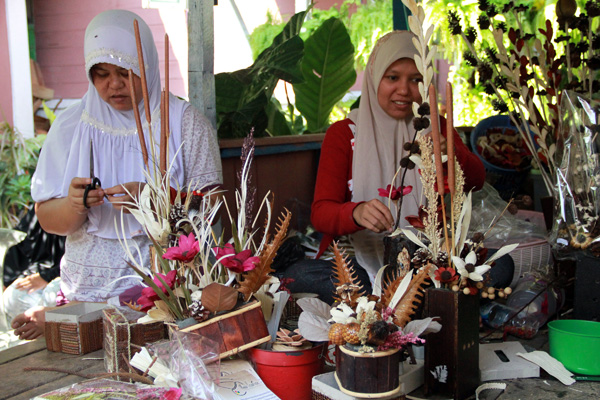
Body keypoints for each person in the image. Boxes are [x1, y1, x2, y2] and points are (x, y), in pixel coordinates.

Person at [11, 9, 222, 340]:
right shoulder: (71, 126)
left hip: (167, 296)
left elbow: (211, 207)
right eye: (101, 73)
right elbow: (49, 219)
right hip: (86, 294)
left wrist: (156, 200)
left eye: (126, 71)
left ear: (147, 65)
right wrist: (73, 205)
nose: (114, 85)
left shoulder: (184, 124)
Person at [278, 31, 486, 301]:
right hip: (363, 265)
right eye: (392, 77)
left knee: (501, 265)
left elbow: (476, 182)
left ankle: (398, 299)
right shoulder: (344, 135)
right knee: (300, 274)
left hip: (432, 262)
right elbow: (321, 213)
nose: (404, 90)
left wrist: (452, 153)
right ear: (375, 77)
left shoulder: (434, 129)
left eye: (416, 80)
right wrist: (356, 213)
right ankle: (420, 299)